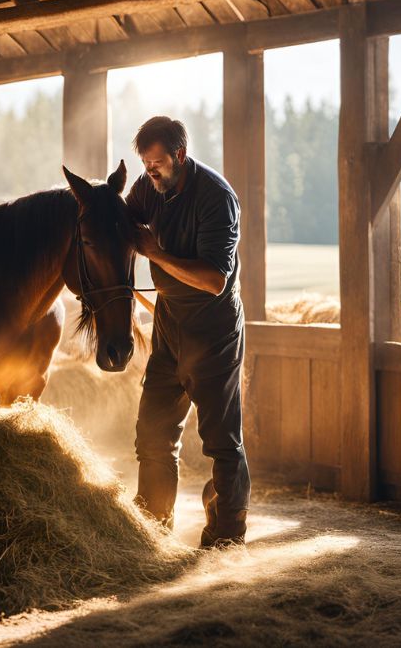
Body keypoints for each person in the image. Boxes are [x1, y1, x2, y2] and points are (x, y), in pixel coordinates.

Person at [125, 115, 249, 549]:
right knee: (152, 431)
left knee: (221, 442)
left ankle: (227, 538)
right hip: (169, 326)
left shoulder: (217, 197)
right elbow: (123, 225)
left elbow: (216, 278)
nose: (149, 172)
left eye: (156, 163)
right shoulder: (148, 187)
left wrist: (157, 254)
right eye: (144, 164)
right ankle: (153, 529)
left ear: (179, 155)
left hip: (213, 331)